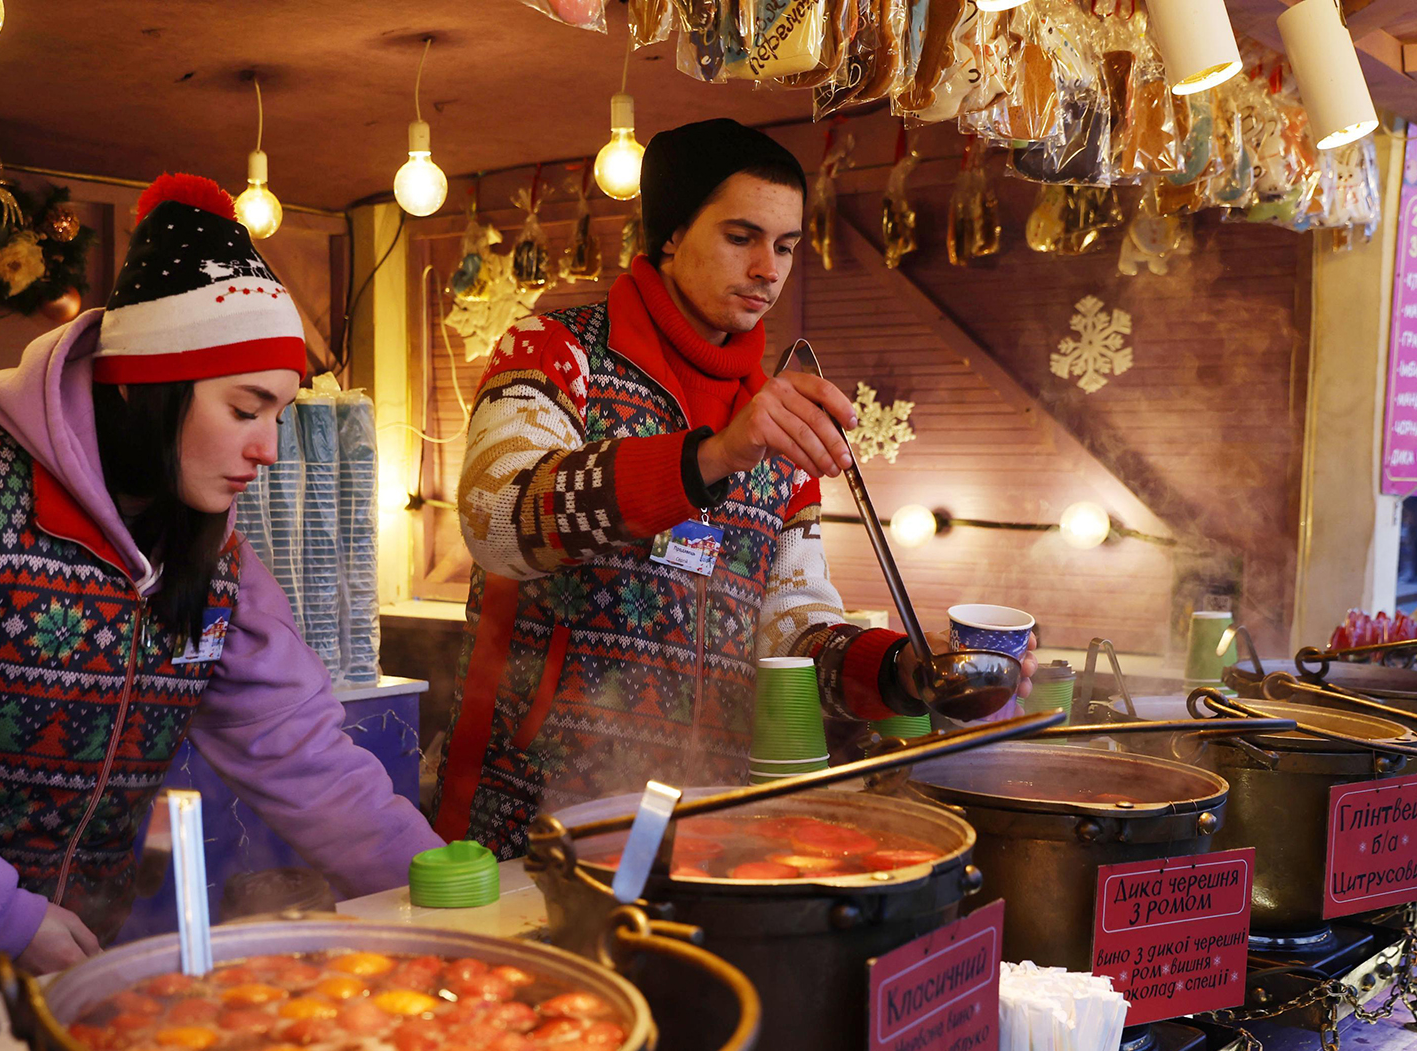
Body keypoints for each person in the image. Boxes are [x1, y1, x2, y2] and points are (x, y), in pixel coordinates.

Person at [0, 174, 442, 1048]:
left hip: (49, 975)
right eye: (246, 409)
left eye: (280, 414)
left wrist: (435, 891)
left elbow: (303, 753)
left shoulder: (210, 556)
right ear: (144, 386)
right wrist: (2, 915)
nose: (268, 449)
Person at [432, 119, 1032, 856]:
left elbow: (790, 633)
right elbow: (499, 519)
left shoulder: (779, 426)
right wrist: (709, 456)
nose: (768, 269)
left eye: (784, 246)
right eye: (741, 237)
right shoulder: (556, 350)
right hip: (523, 811)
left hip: (699, 815)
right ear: (672, 236)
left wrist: (904, 668)